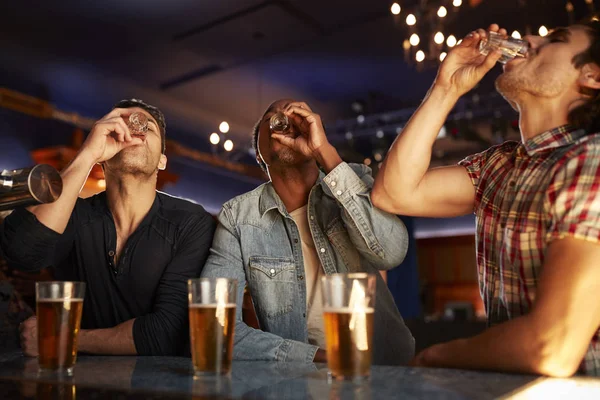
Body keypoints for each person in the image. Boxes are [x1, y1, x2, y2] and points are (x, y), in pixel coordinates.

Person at [372, 22, 600, 377]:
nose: (531, 38)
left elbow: (551, 347)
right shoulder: (500, 166)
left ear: (592, 77)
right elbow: (393, 192)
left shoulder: (593, 159)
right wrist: (446, 88)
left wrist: (434, 357)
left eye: (554, 40)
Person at [201, 99, 415, 365]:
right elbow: (215, 327)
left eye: (297, 117)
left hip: (382, 370)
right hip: (295, 380)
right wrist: (318, 358)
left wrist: (323, 150)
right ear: (259, 153)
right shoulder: (238, 218)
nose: (285, 122)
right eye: (273, 118)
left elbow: (391, 253)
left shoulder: (354, 181)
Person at [0, 99, 215, 356]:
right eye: (121, 126)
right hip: (77, 382)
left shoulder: (190, 222)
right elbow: (23, 254)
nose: (136, 132)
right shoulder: (75, 214)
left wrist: (60, 337)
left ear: (162, 161)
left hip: (161, 385)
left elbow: (167, 333)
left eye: (149, 128)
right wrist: (87, 154)